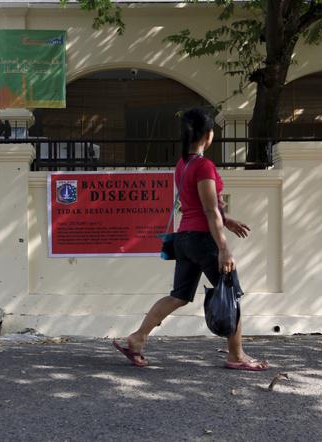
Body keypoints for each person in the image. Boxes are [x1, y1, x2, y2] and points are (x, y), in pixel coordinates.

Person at [113, 107, 270, 371]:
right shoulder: (204, 166)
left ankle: (138, 338)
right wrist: (224, 248)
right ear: (208, 135)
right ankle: (236, 355)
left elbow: (198, 204)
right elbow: (208, 209)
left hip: (184, 238)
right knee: (230, 292)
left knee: (179, 296)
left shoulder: (183, 164)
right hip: (202, 240)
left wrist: (227, 220)